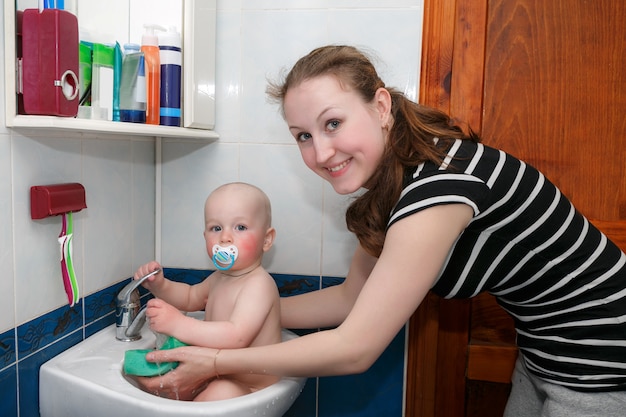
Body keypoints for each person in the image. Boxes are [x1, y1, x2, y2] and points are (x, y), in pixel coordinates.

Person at [132, 45, 626, 415]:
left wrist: (216, 359)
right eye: (303, 136)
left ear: (382, 107)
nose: (321, 153)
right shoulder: (399, 184)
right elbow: (350, 300)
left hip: (604, 362)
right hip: (545, 351)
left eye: (332, 123)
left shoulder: (437, 189)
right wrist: (244, 310)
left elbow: (356, 347)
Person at [133, 182, 281, 401]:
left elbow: (236, 336)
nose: (225, 238)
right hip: (217, 376)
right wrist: (160, 286)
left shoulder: (259, 284)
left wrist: (178, 324)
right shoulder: (219, 278)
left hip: (249, 389)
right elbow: (190, 297)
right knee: (153, 381)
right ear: (205, 237)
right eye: (216, 228)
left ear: (266, 239)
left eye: (240, 227)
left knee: (218, 392)